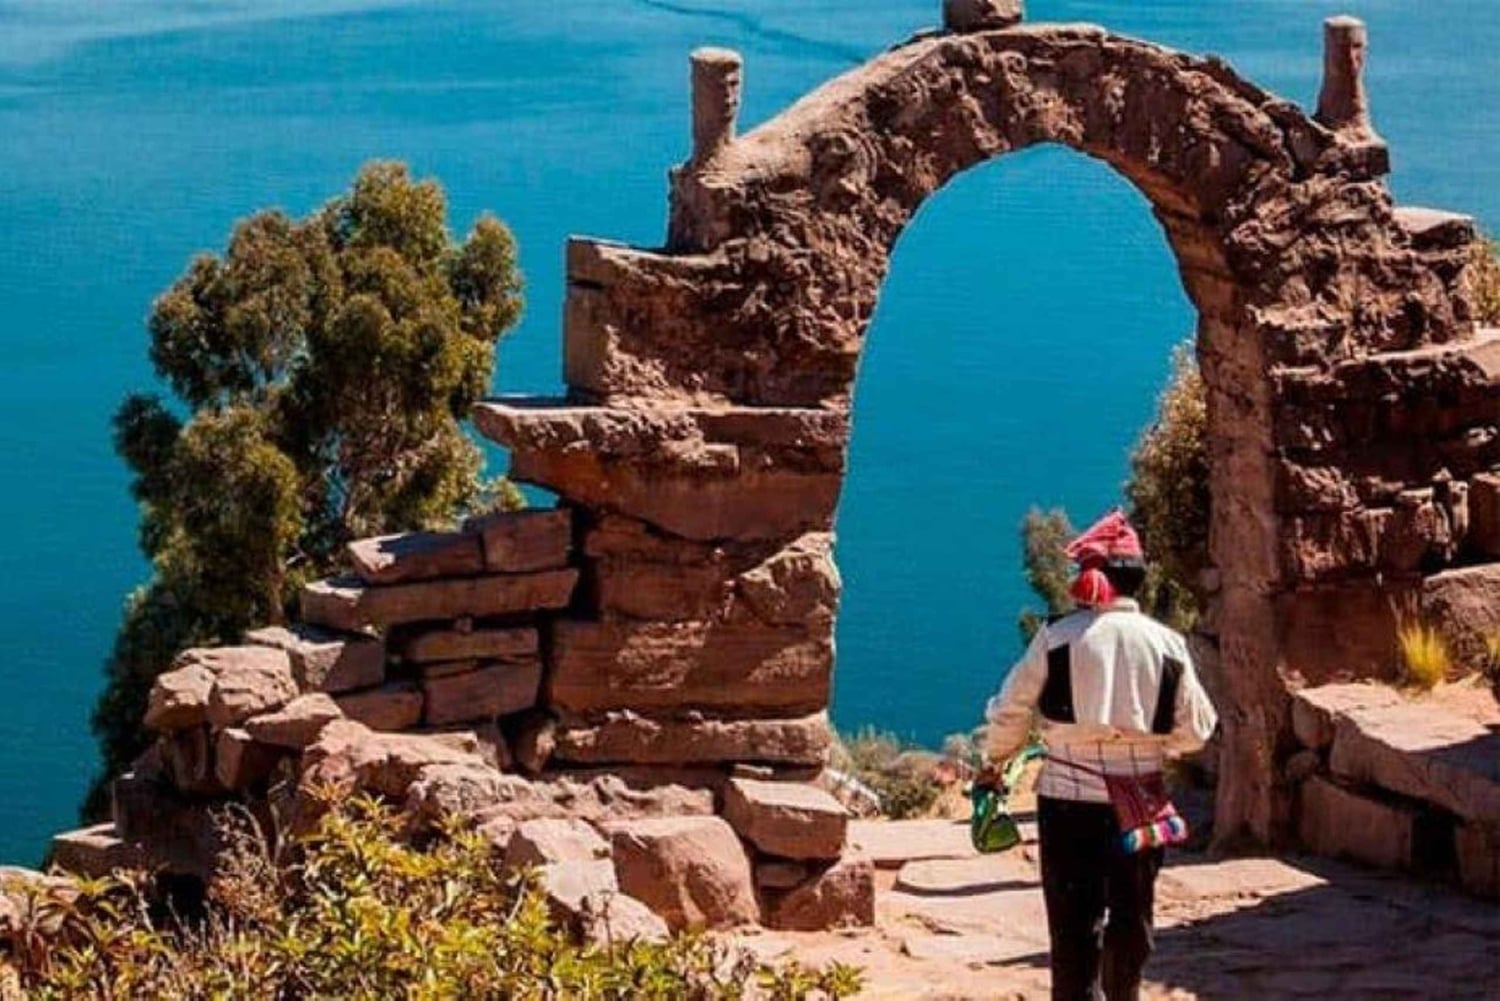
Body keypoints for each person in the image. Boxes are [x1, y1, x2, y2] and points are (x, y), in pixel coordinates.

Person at [981, 510, 1218, 1001]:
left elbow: (1012, 709)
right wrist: (1151, 749)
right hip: (1141, 803)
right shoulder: (1167, 644)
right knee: (1133, 916)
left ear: (1094, 580)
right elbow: (1197, 730)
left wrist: (995, 760)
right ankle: (1125, 992)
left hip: (1067, 802)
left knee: (1073, 926)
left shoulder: (1058, 638)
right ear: (1136, 579)